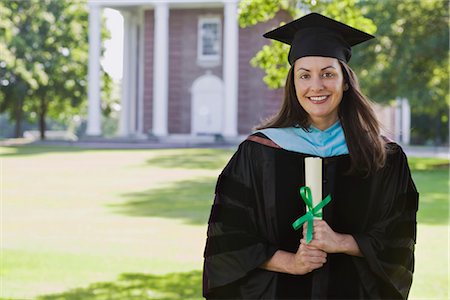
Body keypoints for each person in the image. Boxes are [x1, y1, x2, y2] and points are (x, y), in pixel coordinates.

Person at [203, 12, 418, 299]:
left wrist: (342, 242)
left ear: (344, 81)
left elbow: (398, 238)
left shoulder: (384, 157)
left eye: (328, 73)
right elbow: (229, 242)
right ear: (293, 83)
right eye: (304, 75)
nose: (316, 86)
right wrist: (291, 262)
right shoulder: (258, 153)